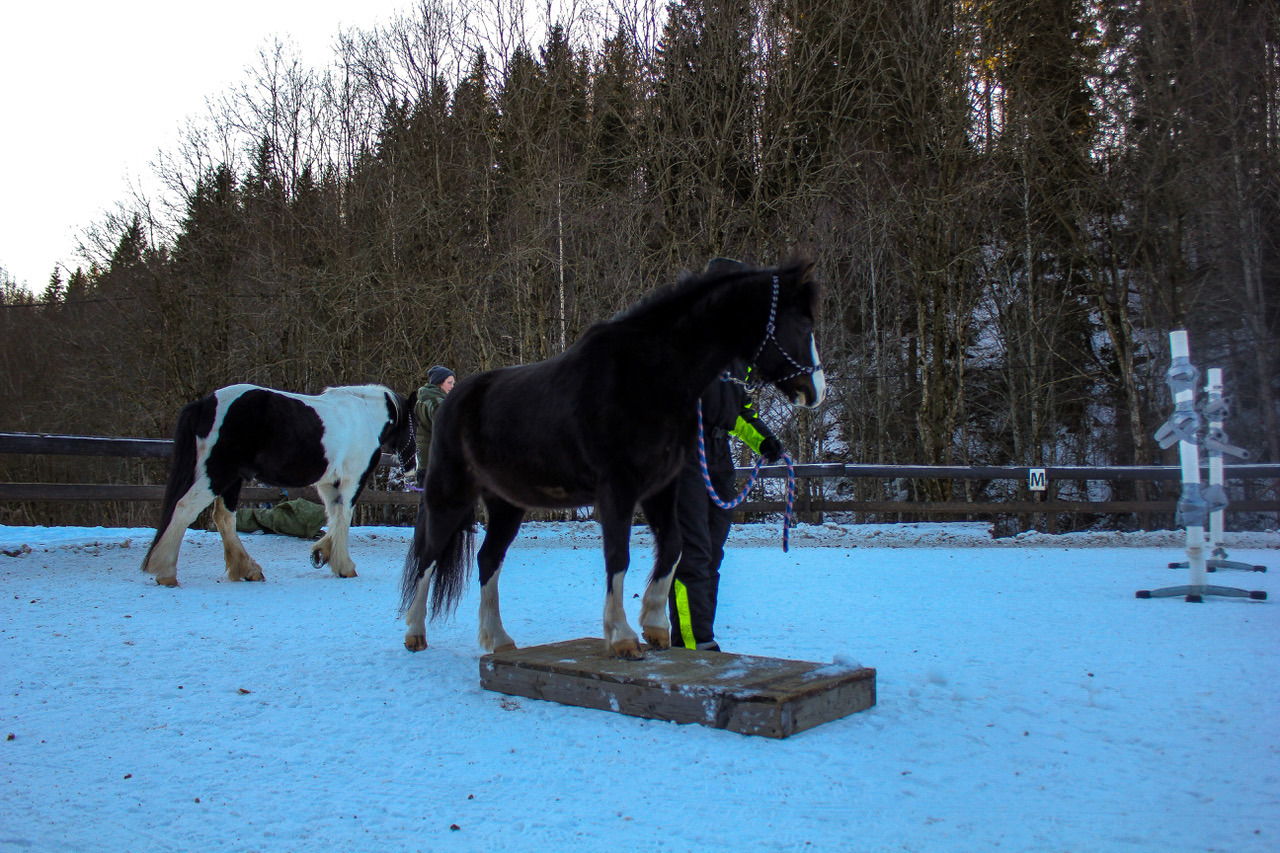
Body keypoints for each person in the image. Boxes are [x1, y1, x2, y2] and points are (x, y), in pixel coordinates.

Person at [669, 260, 783, 653]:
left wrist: (763, 440)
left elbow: (739, 410)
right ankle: (689, 640)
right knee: (693, 552)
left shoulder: (735, 351)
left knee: (714, 552)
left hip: (719, 457)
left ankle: (704, 634)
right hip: (683, 455)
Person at [413, 365, 455, 481]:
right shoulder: (437, 403)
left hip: (424, 461)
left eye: (453, 383)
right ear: (439, 382)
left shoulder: (422, 399)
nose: (452, 387)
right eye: (449, 383)